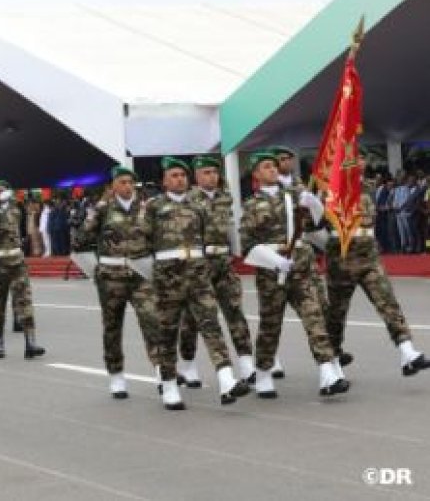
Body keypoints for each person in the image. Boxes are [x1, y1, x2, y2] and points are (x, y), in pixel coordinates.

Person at [140, 157, 248, 410]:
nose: (180, 179)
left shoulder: (198, 206)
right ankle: (168, 386)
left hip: (198, 273)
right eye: (174, 175)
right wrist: (153, 276)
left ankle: (226, 380)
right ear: (165, 180)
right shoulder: (154, 206)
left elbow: (208, 237)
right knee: (167, 332)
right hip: (168, 278)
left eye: (183, 175)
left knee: (211, 326)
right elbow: (140, 244)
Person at [240, 151, 348, 399]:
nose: (272, 170)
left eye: (274, 166)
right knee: (271, 325)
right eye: (266, 166)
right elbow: (247, 244)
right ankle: (264, 373)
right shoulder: (251, 204)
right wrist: (275, 260)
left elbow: (317, 224)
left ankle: (327, 372)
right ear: (256, 174)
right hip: (271, 271)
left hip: (301, 267)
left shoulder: (294, 196)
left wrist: (315, 205)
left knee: (314, 318)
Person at [324, 151, 430, 376]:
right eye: (355, 158)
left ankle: (407, 351)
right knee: (336, 314)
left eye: (362, 158)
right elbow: (315, 226)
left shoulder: (369, 187)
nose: (361, 162)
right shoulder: (330, 189)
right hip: (342, 260)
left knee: (388, 302)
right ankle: (331, 361)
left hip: (369, 258)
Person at [73, 166, 158, 399]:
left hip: (140, 276)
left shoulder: (146, 209)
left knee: (152, 321)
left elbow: (156, 239)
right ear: (112, 187)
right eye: (122, 182)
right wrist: (96, 271)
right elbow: (80, 241)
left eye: (130, 182)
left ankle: (162, 371)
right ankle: (116, 375)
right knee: (112, 327)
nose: (128, 186)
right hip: (111, 278)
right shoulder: (102, 210)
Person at [178, 155, 255, 386]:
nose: (212, 176)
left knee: (235, 312)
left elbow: (230, 227)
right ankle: (189, 365)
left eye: (215, 172)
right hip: (198, 264)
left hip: (223, 261)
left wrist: (236, 252)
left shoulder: (225, 197)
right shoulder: (187, 199)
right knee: (192, 319)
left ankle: (246, 364)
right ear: (197, 176)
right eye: (206, 172)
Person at [0, 180, 45, 359]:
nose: (2, 193)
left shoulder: (16, 210)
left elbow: (24, 230)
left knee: (25, 301)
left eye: (4, 190)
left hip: (17, 262)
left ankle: (30, 343)